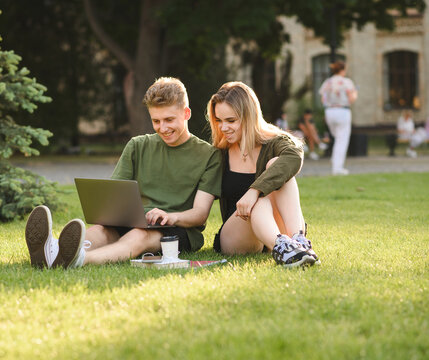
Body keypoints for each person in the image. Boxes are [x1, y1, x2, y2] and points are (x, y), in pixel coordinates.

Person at [24, 77, 222, 269]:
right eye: (156, 121)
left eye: (169, 120)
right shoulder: (138, 145)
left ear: (186, 113)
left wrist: (170, 217)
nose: (163, 128)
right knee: (101, 231)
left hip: (178, 229)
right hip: (134, 220)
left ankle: (78, 260)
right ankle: (53, 250)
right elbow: (114, 196)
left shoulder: (209, 155)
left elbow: (200, 215)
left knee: (139, 236)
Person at [207, 81, 318, 268]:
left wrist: (254, 190)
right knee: (260, 200)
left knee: (276, 164)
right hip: (237, 236)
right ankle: (285, 250)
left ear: (249, 116)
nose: (223, 128)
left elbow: (293, 157)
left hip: (276, 229)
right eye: (219, 121)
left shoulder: (275, 142)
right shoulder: (219, 153)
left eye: (231, 121)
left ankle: (297, 243)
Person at [319, 60, 358, 175]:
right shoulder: (346, 82)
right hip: (343, 111)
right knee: (342, 139)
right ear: (343, 70)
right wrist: (355, 93)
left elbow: (323, 99)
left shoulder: (328, 82)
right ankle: (337, 167)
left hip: (330, 111)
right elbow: (351, 99)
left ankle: (335, 159)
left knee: (337, 138)